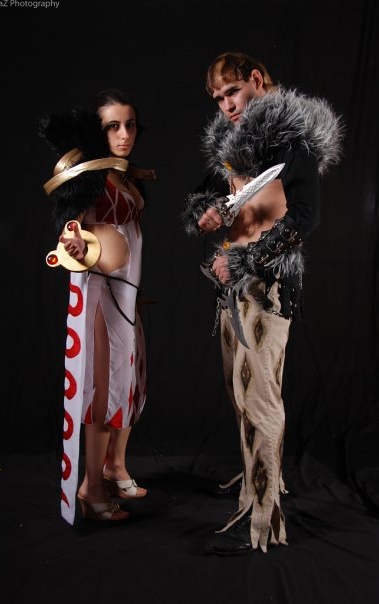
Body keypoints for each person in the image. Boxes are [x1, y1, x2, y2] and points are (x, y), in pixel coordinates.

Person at [182, 52, 344, 554]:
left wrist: (247, 259)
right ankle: (257, 480)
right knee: (241, 394)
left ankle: (263, 517)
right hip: (230, 287)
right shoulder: (233, 144)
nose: (226, 105)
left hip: (267, 285)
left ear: (256, 79)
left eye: (232, 92)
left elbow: (306, 217)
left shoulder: (293, 137)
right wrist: (209, 213)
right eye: (218, 98)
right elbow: (210, 198)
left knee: (260, 399)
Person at [40, 89, 156, 524]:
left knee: (128, 384)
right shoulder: (90, 179)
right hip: (100, 296)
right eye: (113, 126)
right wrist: (73, 241)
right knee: (103, 391)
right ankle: (90, 487)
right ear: (97, 131)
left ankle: (113, 467)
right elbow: (71, 230)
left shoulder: (125, 176)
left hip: (126, 294)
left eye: (130, 125)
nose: (124, 134)